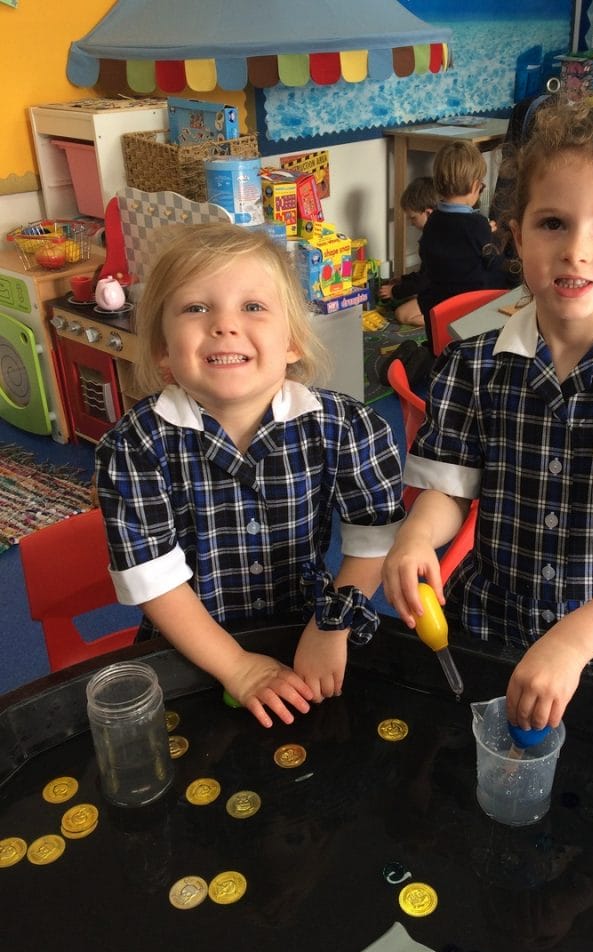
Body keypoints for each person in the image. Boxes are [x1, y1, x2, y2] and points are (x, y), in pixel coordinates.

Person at [382, 98, 593, 732]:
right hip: (491, 626)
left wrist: (571, 642)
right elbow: (448, 491)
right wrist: (415, 538)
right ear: (516, 233)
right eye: (553, 223)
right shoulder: (473, 365)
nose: (576, 251)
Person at [94, 223, 405, 729]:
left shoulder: (346, 426)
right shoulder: (134, 448)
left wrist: (332, 625)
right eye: (196, 308)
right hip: (189, 647)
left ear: (293, 342)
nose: (224, 325)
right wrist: (235, 666)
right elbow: (155, 580)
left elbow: (373, 540)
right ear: (161, 351)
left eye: (253, 307)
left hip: (306, 628)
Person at [416, 139, 510, 353]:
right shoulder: (477, 225)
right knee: (506, 275)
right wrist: (493, 237)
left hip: (437, 305)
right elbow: (494, 262)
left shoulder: (433, 221)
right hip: (472, 306)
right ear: (476, 186)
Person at [379, 176, 439, 328]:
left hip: (447, 293)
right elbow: (426, 273)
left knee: (402, 314)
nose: (411, 223)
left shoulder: (432, 241)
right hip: (444, 287)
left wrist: (395, 291)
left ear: (428, 213)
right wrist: (403, 280)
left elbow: (425, 280)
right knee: (413, 294)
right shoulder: (436, 233)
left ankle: (447, 321)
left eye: (413, 218)